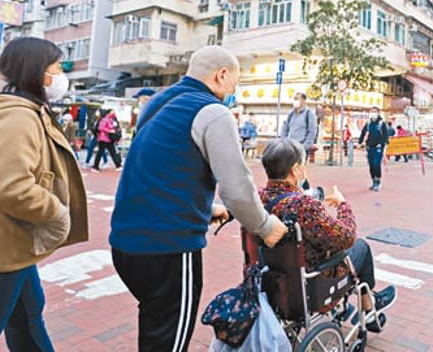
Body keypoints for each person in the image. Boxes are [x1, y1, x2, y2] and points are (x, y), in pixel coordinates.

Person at [109, 46, 288, 352]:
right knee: (169, 342)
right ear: (221, 75)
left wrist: (205, 211)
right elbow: (237, 189)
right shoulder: (213, 112)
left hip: (125, 246)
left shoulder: (155, 104)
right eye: (235, 82)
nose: (233, 90)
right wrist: (266, 226)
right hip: (168, 250)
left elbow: (160, 171)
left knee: (156, 326)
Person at [0, 37, 88, 351]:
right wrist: (56, 212)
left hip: (14, 243)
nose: (60, 74)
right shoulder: (17, 116)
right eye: (56, 67)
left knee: (28, 317)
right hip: (1, 248)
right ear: (38, 71)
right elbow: (9, 186)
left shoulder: (19, 109)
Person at [259, 139, 396, 331]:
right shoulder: (304, 207)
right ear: (296, 170)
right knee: (361, 247)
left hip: (275, 279)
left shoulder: (258, 200)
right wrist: (342, 205)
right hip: (312, 281)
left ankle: (366, 305)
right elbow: (346, 237)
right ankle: (369, 306)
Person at [281, 92, 318, 164]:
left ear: (303, 101)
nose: (295, 101)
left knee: (299, 170)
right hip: (290, 147)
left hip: (301, 146)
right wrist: (283, 142)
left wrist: (304, 147)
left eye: (297, 99)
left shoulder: (309, 113)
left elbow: (312, 132)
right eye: (294, 99)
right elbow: (285, 128)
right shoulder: (291, 113)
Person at [358, 107, 389, 191]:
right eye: (371, 112)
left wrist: (383, 145)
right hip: (369, 148)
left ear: (378, 113)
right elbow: (363, 133)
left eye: (375, 112)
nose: (373, 113)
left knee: (376, 164)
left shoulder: (382, 123)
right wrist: (360, 142)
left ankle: (378, 182)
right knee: (371, 166)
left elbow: (386, 136)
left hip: (378, 148)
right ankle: (373, 181)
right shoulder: (368, 123)